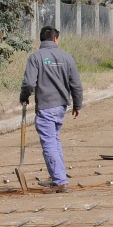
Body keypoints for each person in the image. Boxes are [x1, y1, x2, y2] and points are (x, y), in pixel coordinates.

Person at [20, 26, 83, 194]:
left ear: (42, 40)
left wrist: (24, 96)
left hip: (46, 107)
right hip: (61, 106)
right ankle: (59, 177)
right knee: (54, 140)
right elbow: (76, 84)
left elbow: (28, 84)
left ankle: (60, 181)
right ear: (56, 39)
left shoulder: (35, 57)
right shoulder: (67, 57)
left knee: (49, 143)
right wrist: (77, 105)